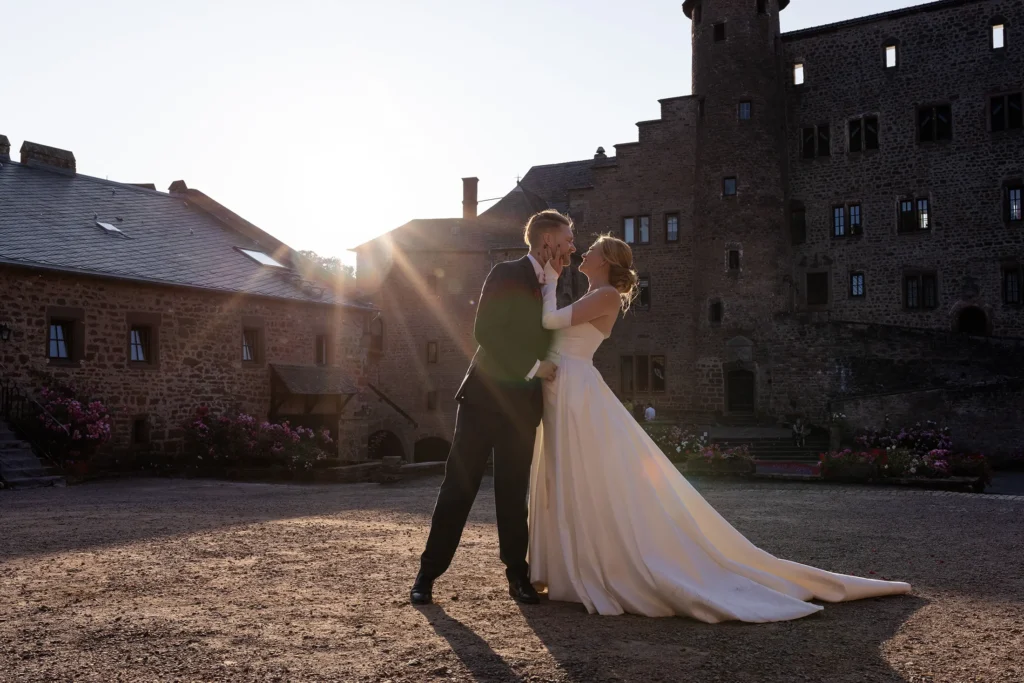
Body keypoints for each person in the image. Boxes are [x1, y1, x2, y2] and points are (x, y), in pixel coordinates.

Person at [527, 235, 911, 622]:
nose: (584, 252)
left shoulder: (607, 294)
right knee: (569, 474)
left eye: (591, 249)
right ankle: (567, 566)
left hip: (578, 390)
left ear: (606, 260)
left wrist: (550, 279)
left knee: (588, 474)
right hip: (565, 387)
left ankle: (606, 563)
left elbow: (547, 321)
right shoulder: (593, 293)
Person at [410, 209, 574, 606]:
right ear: (546, 240)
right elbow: (485, 331)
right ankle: (427, 575)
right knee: (459, 487)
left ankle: (517, 578)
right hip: (484, 399)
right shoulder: (504, 273)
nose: (573, 247)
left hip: (523, 407)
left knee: (513, 493)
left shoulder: (555, 283)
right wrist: (535, 367)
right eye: (568, 239)